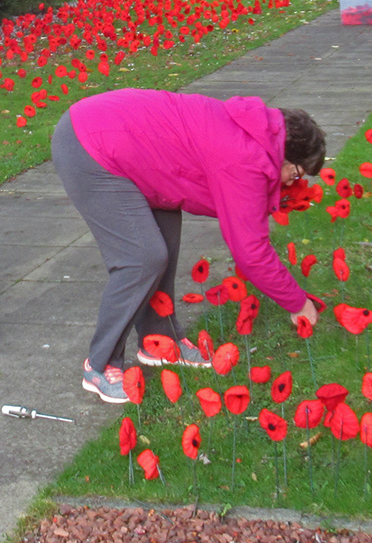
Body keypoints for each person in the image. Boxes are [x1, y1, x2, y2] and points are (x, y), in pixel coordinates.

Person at [51, 89, 326, 403]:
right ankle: (99, 365)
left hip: (131, 150)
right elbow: (251, 252)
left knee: (162, 243)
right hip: (89, 145)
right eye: (295, 173)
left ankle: (160, 340)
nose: (291, 182)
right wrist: (298, 302)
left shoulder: (255, 135)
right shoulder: (246, 157)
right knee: (143, 257)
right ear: (284, 152)